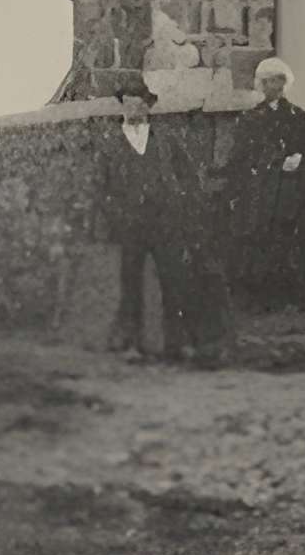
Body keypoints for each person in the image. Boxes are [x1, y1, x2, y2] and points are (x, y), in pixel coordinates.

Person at [94, 88, 227, 365]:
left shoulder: (166, 141)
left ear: (149, 107)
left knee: (174, 282)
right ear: (122, 107)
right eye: (129, 104)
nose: (134, 109)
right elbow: (99, 188)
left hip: (165, 224)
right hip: (130, 226)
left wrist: (181, 210)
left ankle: (177, 344)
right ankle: (132, 344)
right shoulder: (109, 144)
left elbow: (189, 180)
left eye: (140, 104)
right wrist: (117, 216)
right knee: (130, 285)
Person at [227, 59, 305, 312]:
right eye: (270, 81)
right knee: (261, 242)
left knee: (287, 241)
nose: (276, 86)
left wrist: (302, 160)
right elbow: (242, 156)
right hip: (262, 193)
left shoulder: (298, 116)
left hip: (289, 192)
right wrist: (276, 162)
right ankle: (260, 300)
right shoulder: (250, 119)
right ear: (262, 84)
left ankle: (287, 298)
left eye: (280, 80)